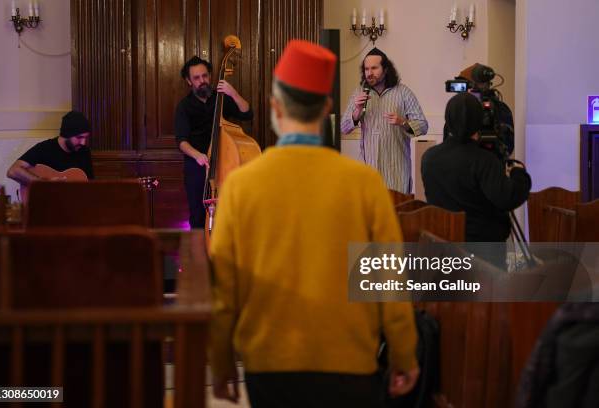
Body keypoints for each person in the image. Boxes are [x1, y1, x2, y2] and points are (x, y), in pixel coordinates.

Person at [209, 40, 419, 407]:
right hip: (350, 364)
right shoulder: (364, 184)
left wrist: (222, 360)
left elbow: (226, 287)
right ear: (326, 109)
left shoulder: (241, 185)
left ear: (275, 109)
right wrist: (403, 354)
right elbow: (388, 279)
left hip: (269, 365)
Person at [421, 92, 531, 244]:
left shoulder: (429, 157)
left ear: (448, 119)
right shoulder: (483, 160)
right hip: (483, 251)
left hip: (443, 244)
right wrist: (519, 173)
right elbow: (508, 199)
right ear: (479, 121)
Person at [174, 56, 253, 229]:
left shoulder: (221, 98)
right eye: (196, 78)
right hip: (197, 164)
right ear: (188, 81)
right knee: (197, 214)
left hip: (225, 163)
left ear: (209, 76)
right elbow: (181, 141)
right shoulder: (184, 107)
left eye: (205, 76)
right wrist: (198, 156)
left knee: (229, 212)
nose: (202, 81)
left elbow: (247, 113)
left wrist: (233, 93)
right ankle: (200, 252)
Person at [341, 48, 428, 193]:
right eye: (366, 69)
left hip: (397, 173)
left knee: (396, 214)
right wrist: (356, 111)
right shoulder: (359, 93)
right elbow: (343, 128)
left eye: (374, 68)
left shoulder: (403, 92)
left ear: (386, 69)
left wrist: (403, 122)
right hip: (369, 173)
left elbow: (423, 126)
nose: (369, 73)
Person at [7, 110, 94, 188]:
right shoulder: (45, 148)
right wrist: (43, 184)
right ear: (66, 134)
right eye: (79, 137)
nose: (83, 142)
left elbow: (90, 185)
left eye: (86, 138)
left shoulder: (84, 152)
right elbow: (13, 171)